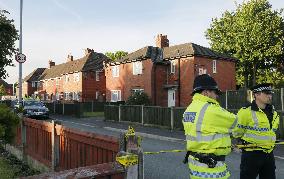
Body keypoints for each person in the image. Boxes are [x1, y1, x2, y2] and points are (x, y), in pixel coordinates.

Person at [183, 74, 237, 179]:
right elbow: (237, 124)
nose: (217, 96)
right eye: (215, 92)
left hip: (196, 166)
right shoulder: (211, 109)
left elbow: (205, 131)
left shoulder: (189, 109)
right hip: (211, 169)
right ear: (206, 92)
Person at [233, 83, 279, 179]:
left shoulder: (274, 113)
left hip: (269, 154)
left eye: (270, 93)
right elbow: (237, 131)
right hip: (251, 154)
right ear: (256, 94)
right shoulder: (245, 112)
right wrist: (239, 142)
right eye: (266, 93)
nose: (269, 96)